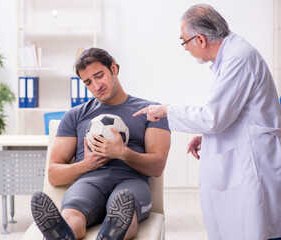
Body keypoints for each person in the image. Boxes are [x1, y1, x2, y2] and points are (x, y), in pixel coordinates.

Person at [134, 4, 281, 240]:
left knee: (256, 229)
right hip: (245, 151)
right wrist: (207, 136)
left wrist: (165, 111)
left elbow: (212, 118)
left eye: (184, 41)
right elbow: (237, 113)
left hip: (255, 161)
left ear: (200, 39)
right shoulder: (230, 56)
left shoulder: (238, 59)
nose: (185, 48)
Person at [31, 48, 171, 240]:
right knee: (71, 215)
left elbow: (157, 166)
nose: (96, 86)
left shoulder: (151, 111)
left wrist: (123, 153)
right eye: (88, 82)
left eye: (99, 76)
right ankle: (62, 235)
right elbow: (54, 175)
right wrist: (86, 165)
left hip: (131, 181)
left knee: (125, 213)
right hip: (89, 182)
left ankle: (112, 233)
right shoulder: (74, 115)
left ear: (113, 68)